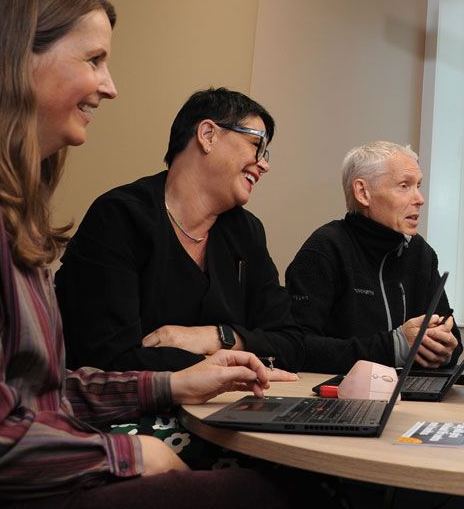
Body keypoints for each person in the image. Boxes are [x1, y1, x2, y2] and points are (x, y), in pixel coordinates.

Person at [0, 0, 302, 507]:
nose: (110, 86)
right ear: (14, 56)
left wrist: (173, 383)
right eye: (93, 60)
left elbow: (42, 393)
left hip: (31, 457)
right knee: (273, 493)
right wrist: (132, 455)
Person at [56, 88, 304, 374]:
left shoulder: (247, 231)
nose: (264, 164)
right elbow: (108, 359)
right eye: (255, 145)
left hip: (227, 410)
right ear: (208, 135)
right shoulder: (120, 217)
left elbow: (291, 345)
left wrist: (216, 337)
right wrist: (233, 364)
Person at [286, 141, 461, 374]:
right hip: (340, 398)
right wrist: (393, 347)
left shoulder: (421, 253)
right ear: (363, 192)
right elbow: (294, 347)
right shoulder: (326, 248)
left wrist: (445, 349)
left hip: (409, 394)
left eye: (418, 186)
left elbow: (451, 338)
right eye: (404, 186)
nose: (419, 198)